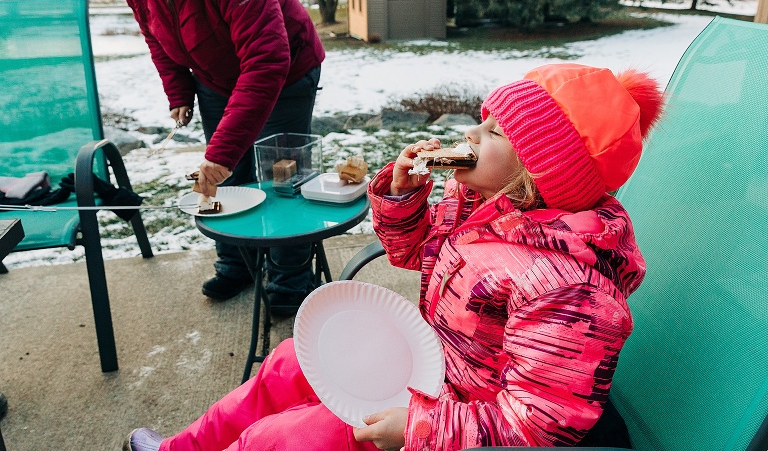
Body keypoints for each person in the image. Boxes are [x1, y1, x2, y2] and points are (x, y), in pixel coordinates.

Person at [122, 63, 664, 451]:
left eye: (494, 131)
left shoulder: (569, 290)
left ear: (541, 173)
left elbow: (541, 422)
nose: (470, 134)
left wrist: (421, 429)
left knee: (293, 437)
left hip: (456, 419)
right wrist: (403, 200)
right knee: (288, 362)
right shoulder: (480, 204)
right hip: (430, 363)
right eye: (482, 119)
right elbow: (410, 254)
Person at [89, 0, 325, 314]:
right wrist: (179, 91)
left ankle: (289, 280)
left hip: (284, 73)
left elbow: (265, 61)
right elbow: (155, 36)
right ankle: (238, 265)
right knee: (226, 178)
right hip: (214, 77)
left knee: (282, 177)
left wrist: (222, 153)